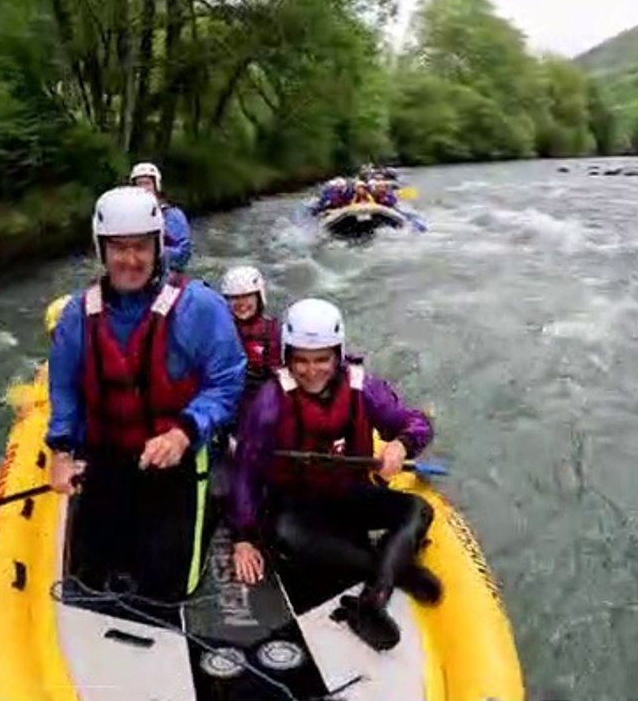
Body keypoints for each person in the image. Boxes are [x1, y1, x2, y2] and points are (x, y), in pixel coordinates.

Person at [46, 185, 246, 603]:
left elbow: (226, 382)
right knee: (90, 573)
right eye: (119, 248)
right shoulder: (77, 315)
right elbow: (64, 388)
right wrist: (61, 451)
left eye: (141, 247)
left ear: (158, 247)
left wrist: (183, 433)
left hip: (176, 459)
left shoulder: (199, 307)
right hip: (107, 456)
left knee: (166, 585)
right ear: (101, 250)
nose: (131, 260)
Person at [226, 299, 441, 652]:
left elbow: (415, 423)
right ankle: (396, 570)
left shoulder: (364, 388)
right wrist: (243, 538)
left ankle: (373, 599)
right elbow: (247, 472)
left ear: (337, 355)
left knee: (418, 510)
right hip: (297, 506)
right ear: (287, 356)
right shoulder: (270, 402)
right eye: (301, 360)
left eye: (322, 359)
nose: (312, 371)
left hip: (348, 493)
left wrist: (401, 445)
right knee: (284, 534)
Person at [219, 266, 282, 402]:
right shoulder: (220, 329)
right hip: (227, 392)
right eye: (235, 298)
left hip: (260, 394)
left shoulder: (271, 330)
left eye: (247, 296)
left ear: (259, 297)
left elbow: (279, 370)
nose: (241, 303)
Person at [129, 162, 193, 272]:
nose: (143, 188)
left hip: (166, 274)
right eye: (139, 184)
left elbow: (183, 254)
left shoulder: (173, 215)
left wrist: (153, 253)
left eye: (147, 184)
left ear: (156, 186)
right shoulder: (128, 216)